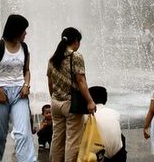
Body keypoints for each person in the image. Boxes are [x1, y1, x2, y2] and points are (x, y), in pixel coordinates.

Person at [0, 14, 34, 162]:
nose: (25, 33)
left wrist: (26, 85)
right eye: (23, 30)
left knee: (23, 133)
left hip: (19, 94)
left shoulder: (24, 47)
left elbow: (27, 70)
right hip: (0, 93)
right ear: (16, 30)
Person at [47, 27, 96, 162]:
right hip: (71, 105)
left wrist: (54, 98)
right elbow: (80, 81)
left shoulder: (53, 58)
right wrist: (90, 101)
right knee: (73, 141)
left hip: (55, 104)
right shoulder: (76, 56)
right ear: (76, 41)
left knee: (57, 139)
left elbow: (50, 83)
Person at [88, 86, 126, 162]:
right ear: (105, 100)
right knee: (121, 137)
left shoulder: (87, 116)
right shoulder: (114, 112)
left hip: (99, 157)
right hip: (118, 156)